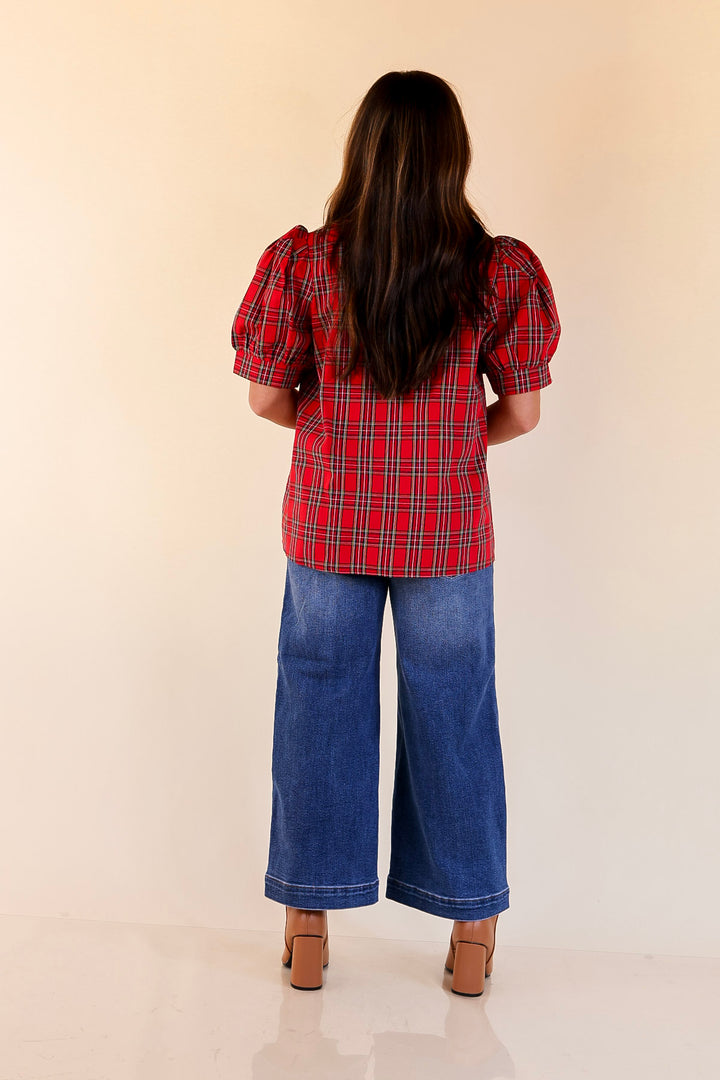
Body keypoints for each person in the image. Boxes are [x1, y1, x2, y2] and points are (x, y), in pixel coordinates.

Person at [230, 70, 562, 996]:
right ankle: (469, 942)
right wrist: (459, 442)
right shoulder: (499, 270)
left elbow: (266, 394)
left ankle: (306, 930)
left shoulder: (303, 263)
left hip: (330, 525)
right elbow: (524, 415)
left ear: (361, 151)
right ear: (455, 157)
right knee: (454, 716)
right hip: (449, 535)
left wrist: (338, 431)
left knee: (318, 708)